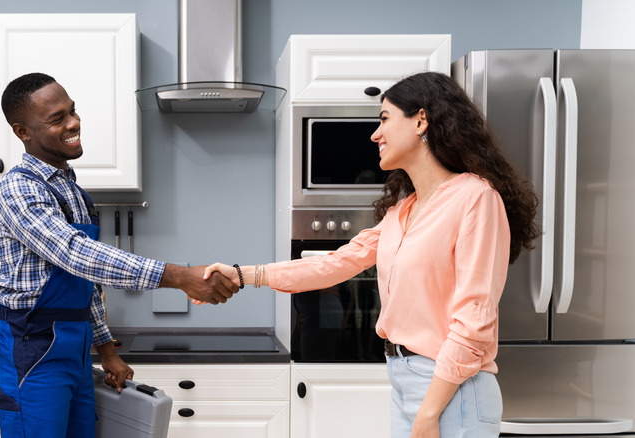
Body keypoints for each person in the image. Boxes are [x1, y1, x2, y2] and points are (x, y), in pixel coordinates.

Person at [203, 72, 540, 437]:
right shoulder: (402, 212)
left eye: (383, 119)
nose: (374, 134)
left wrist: (429, 411)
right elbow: (332, 265)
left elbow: (474, 322)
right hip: (405, 381)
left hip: (452, 391)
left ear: (421, 121)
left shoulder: (475, 199)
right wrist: (242, 274)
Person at [0, 72, 239, 438]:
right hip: (30, 350)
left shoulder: (72, 190)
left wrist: (106, 349)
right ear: (23, 131)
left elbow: (85, 283)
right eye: (57, 119)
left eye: (73, 111)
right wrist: (179, 276)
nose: (73, 123)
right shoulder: (17, 189)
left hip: (75, 348)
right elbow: (77, 254)